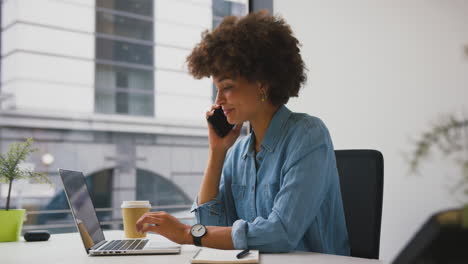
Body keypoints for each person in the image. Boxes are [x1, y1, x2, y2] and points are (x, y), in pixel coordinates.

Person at [136, 10, 350, 255]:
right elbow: (211, 229)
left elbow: (280, 234)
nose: (218, 101)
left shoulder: (308, 136)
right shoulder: (238, 152)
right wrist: (217, 153)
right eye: (217, 89)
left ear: (262, 83)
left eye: (227, 87)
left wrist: (186, 234)